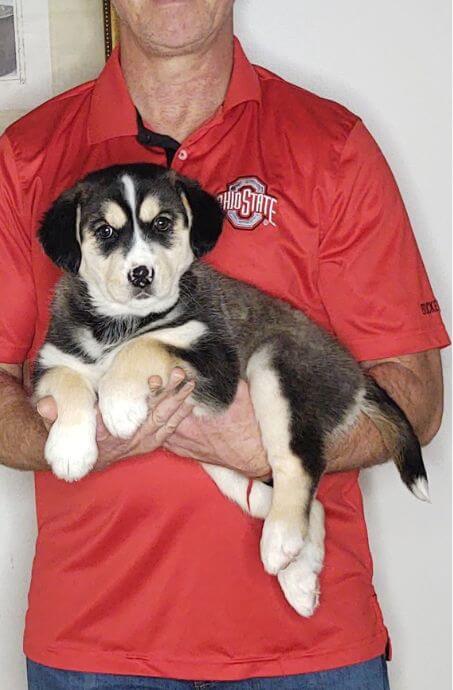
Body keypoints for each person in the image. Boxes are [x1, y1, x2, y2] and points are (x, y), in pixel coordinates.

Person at [0, 1, 449, 688]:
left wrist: (272, 443)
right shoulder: (26, 157)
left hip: (308, 649)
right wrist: (70, 434)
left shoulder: (331, 146)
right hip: (92, 648)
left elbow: (413, 401)